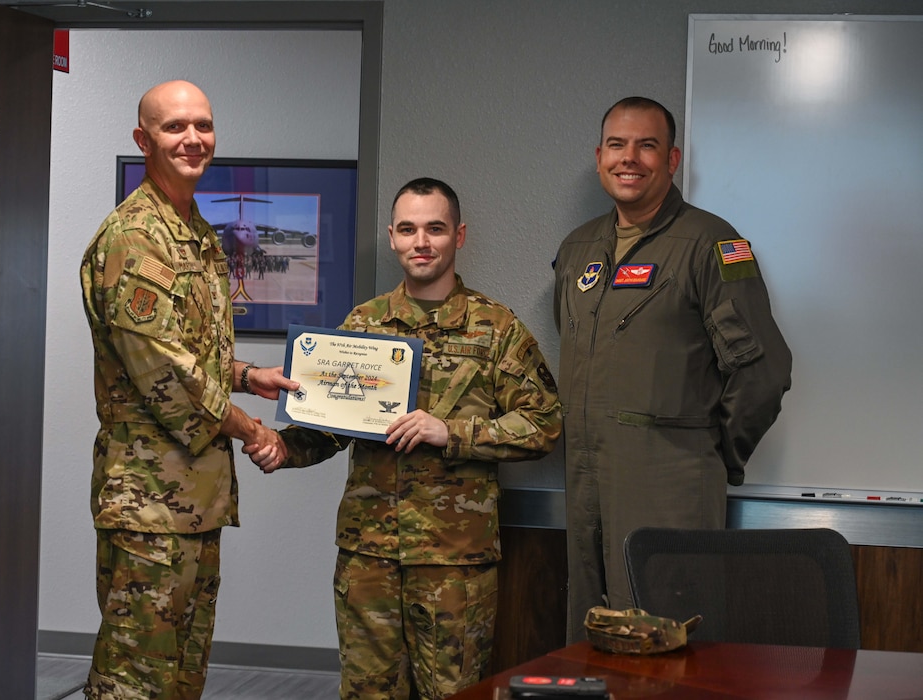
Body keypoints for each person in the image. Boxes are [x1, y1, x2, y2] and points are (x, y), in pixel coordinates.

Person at [245, 178, 562, 699]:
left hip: (454, 561)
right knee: (369, 692)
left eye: (435, 229)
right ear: (392, 237)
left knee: (456, 693)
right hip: (369, 554)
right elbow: (328, 427)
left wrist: (451, 432)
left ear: (458, 237)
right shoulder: (364, 325)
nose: (422, 242)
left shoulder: (496, 329)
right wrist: (284, 448)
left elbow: (544, 423)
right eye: (409, 229)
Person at [79, 79, 297, 699]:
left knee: (180, 678)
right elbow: (165, 372)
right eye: (175, 127)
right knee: (133, 681)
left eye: (202, 125)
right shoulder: (135, 237)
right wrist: (255, 431)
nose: (193, 139)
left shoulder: (193, 230)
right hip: (148, 502)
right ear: (143, 139)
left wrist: (249, 376)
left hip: (194, 500)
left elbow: (184, 345)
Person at [552, 97, 792, 640]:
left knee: (668, 636)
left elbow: (764, 369)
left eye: (647, 145)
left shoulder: (711, 243)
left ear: (672, 159)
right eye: (617, 145)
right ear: (598, 157)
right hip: (586, 475)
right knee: (590, 636)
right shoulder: (577, 249)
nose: (629, 158)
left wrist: (710, 451)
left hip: (671, 481)